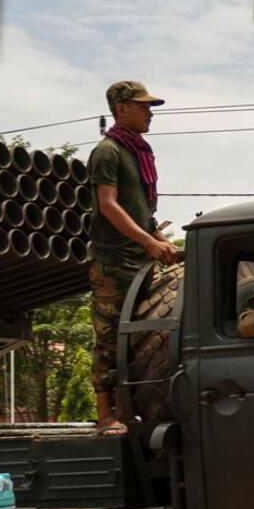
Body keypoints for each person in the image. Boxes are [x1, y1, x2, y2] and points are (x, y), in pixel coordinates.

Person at [87, 80, 184, 433]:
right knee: (110, 338)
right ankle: (105, 415)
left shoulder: (137, 152)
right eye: (143, 106)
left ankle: (131, 408)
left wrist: (161, 241)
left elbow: (140, 210)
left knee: (141, 338)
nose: (150, 113)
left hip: (140, 261)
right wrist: (149, 243)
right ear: (121, 107)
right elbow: (108, 205)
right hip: (114, 262)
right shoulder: (108, 151)